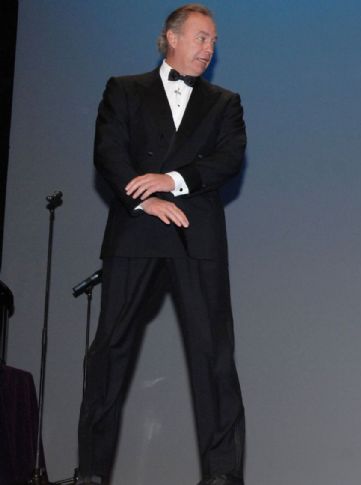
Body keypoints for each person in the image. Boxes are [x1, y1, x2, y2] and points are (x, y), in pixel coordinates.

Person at [77, 4, 246, 484]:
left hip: (197, 235)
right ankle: (92, 472)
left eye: (213, 41)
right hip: (136, 232)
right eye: (201, 37)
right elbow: (108, 151)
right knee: (110, 349)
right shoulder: (124, 89)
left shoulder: (225, 102)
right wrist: (144, 200)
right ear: (171, 37)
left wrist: (171, 180)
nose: (209, 48)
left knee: (214, 355)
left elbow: (229, 158)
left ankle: (222, 475)